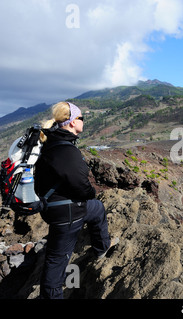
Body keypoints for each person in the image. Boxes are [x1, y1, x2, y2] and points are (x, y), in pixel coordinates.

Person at [35, 101, 117, 299]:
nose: (83, 122)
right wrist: (90, 192)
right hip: (67, 213)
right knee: (56, 264)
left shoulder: (52, 142)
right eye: (81, 118)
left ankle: (101, 248)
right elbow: (80, 183)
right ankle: (52, 293)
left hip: (53, 206)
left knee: (97, 209)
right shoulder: (66, 149)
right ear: (72, 122)